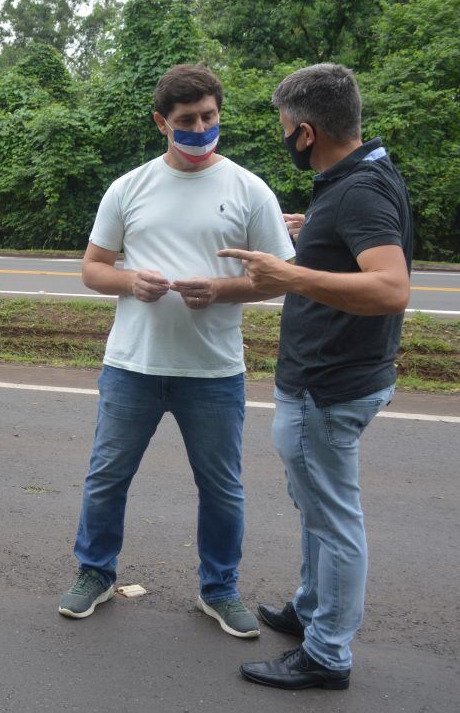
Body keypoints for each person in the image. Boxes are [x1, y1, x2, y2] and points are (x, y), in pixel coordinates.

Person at [58, 64, 295, 639]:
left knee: (221, 486)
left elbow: (284, 277)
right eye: (186, 121)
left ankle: (219, 589)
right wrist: (130, 281)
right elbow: (93, 268)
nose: (200, 129)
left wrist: (221, 290)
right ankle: (96, 573)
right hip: (131, 367)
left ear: (219, 113)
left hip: (213, 371)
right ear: (162, 122)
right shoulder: (130, 187)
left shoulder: (248, 189)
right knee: (107, 476)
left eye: (209, 117)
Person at [223, 64, 413, 691]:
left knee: (333, 519)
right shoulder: (357, 177)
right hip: (337, 378)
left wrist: (292, 275)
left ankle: (327, 652)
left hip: (327, 386)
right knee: (315, 508)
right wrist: (314, 236)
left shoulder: (359, 190)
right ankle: (311, 610)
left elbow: (390, 288)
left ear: (305, 131)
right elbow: (355, 252)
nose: (284, 138)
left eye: (284, 128)